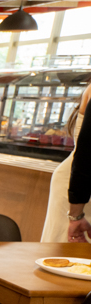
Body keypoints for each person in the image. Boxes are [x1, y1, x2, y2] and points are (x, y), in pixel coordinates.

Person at [44, 82, 90, 242]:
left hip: (80, 181)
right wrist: (76, 215)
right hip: (79, 184)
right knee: (63, 256)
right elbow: (87, 152)